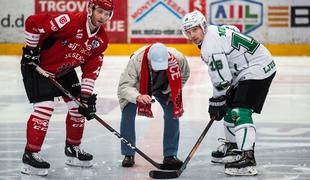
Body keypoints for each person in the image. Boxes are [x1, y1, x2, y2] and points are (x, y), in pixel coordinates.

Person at [20, 0, 113, 176]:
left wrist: (85, 97)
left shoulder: (101, 40)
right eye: (100, 12)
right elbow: (32, 22)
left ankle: (73, 149)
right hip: (38, 67)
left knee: (79, 108)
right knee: (45, 108)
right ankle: (30, 154)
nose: (103, 17)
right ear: (90, 9)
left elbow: (91, 70)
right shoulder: (69, 21)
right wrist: (31, 51)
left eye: (107, 14)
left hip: (65, 71)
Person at [181, 10, 276, 176]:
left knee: (240, 110)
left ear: (203, 27)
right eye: (188, 32)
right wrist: (220, 101)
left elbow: (222, 79)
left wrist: (216, 100)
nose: (192, 35)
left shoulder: (210, 46)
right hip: (247, 68)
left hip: (258, 69)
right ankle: (234, 148)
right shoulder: (213, 32)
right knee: (228, 106)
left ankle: (247, 157)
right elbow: (233, 30)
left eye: (194, 30)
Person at [117, 43, 190, 167]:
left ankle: (170, 155)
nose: (159, 68)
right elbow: (124, 86)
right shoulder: (136, 60)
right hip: (139, 87)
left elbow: (184, 75)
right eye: (155, 65)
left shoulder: (178, 59)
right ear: (149, 59)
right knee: (128, 111)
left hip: (164, 87)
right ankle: (128, 153)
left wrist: (171, 91)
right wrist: (138, 96)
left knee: (172, 112)